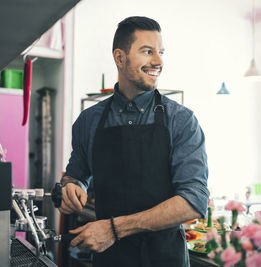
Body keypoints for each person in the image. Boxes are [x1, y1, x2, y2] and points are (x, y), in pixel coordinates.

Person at [57, 16, 209, 267]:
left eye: (161, 52)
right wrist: (71, 188)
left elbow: (194, 201)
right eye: (147, 51)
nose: (158, 61)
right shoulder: (88, 121)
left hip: (165, 258)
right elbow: (76, 175)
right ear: (120, 57)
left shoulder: (181, 120)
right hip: (110, 259)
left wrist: (115, 229)